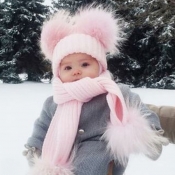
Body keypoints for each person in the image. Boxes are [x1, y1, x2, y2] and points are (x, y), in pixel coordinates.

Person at [23, 6, 168, 175]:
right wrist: (34, 145)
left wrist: (150, 130)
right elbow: (42, 126)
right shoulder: (54, 102)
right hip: (63, 153)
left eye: (85, 64)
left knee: (90, 164)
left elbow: (139, 110)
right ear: (58, 73)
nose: (76, 71)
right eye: (68, 67)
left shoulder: (114, 93)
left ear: (99, 66)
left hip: (100, 152)